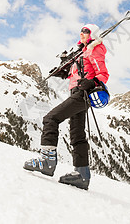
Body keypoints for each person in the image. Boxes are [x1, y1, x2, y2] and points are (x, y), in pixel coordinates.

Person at [24, 24, 109, 190]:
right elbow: (76, 72)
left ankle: (47, 161)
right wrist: (63, 72)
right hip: (76, 91)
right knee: (77, 132)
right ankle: (82, 174)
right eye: (81, 31)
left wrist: (92, 82)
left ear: (92, 34)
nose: (82, 33)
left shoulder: (95, 49)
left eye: (86, 31)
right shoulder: (81, 53)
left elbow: (103, 74)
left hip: (84, 93)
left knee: (51, 118)